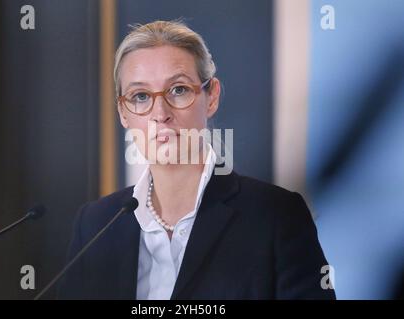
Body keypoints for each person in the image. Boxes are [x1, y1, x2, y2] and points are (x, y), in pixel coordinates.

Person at [58, 20, 335, 300]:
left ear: (211, 97)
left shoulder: (275, 216)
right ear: (123, 112)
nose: (160, 113)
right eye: (140, 96)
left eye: (178, 90)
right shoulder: (95, 224)